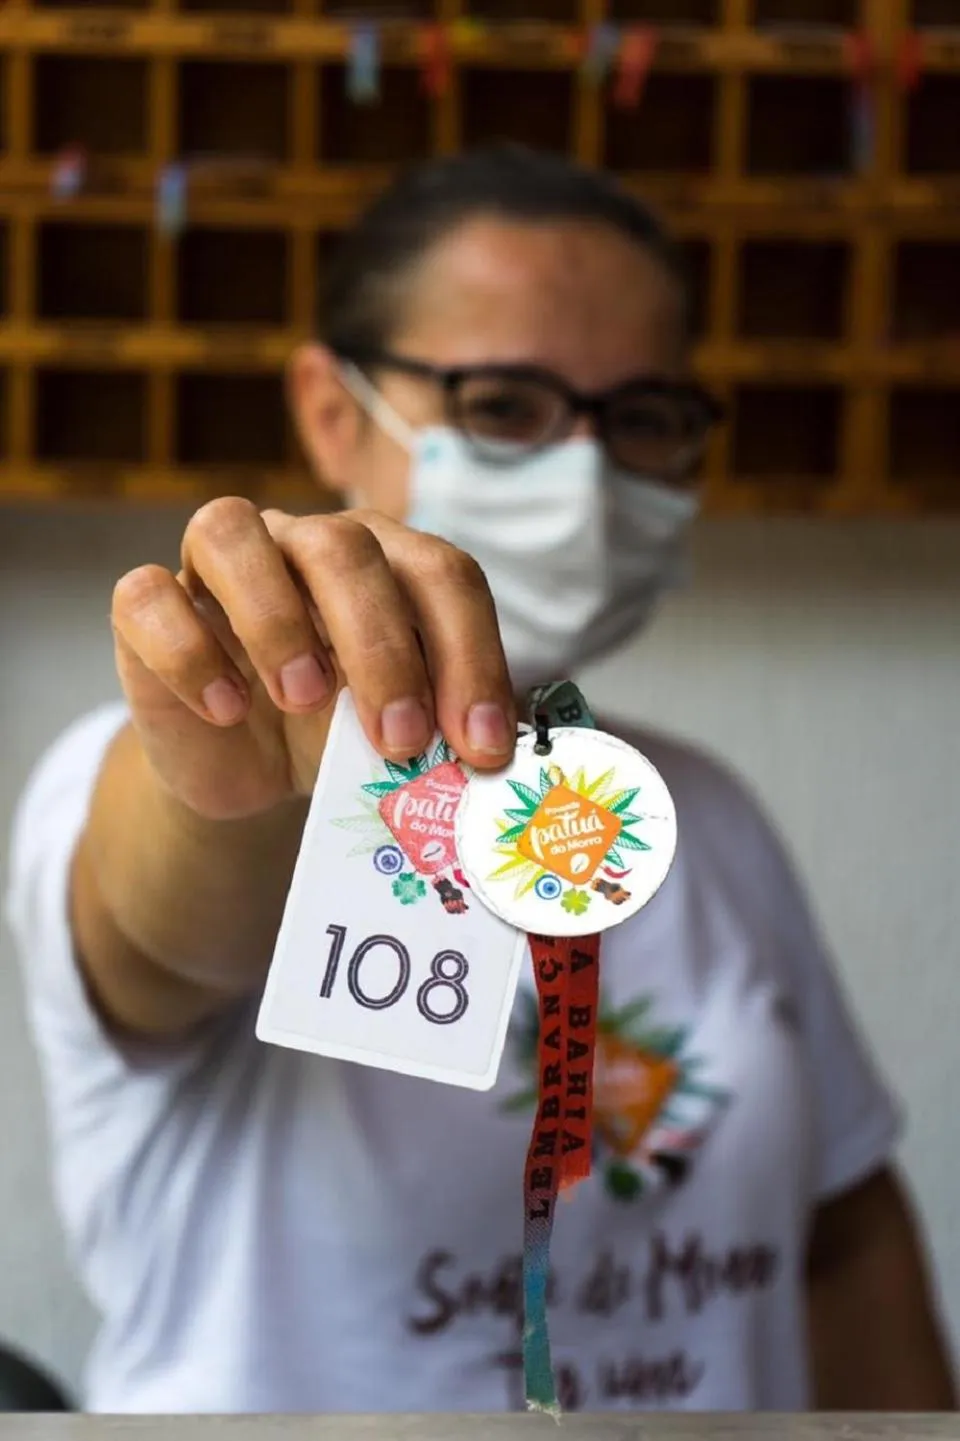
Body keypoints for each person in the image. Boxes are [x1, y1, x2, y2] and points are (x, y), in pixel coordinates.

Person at [5, 146, 955, 1415]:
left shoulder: (707, 818)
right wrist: (246, 762)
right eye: (505, 405)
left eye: (640, 419)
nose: (584, 475)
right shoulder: (156, 764)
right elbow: (159, 919)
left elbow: (842, 1228)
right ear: (332, 412)